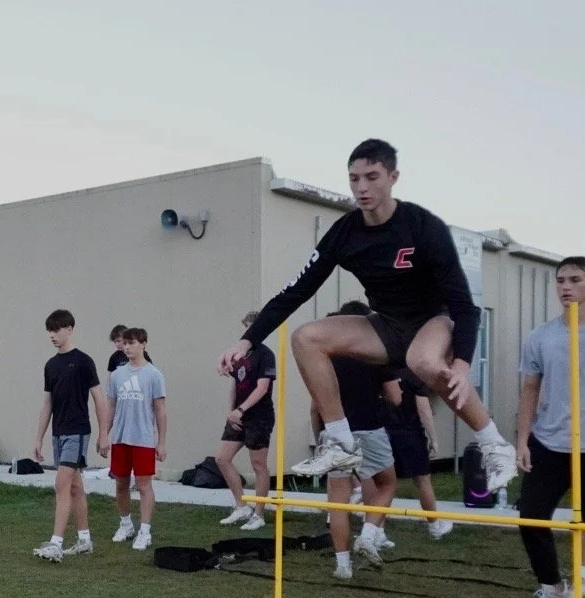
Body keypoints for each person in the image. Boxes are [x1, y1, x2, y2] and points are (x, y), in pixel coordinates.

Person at [217, 139, 516, 494]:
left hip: (433, 320)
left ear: (393, 178)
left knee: (422, 361)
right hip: (386, 324)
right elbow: (295, 292)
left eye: (372, 177)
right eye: (354, 179)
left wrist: (463, 365)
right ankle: (341, 442)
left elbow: (464, 306)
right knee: (305, 338)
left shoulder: (422, 226)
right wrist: (246, 341)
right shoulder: (345, 233)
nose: (362, 187)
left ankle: (495, 444)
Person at [296, 302, 399, 580]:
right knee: (387, 484)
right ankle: (368, 534)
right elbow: (396, 396)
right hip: (371, 429)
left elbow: (316, 406)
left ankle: (343, 565)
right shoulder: (376, 354)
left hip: (336, 433)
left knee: (338, 500)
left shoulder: (327, 356)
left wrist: (320, 439)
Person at [514, 256, 585, 598]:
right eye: (561, 280)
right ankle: (554, 590)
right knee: (531, 518)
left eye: (575, 280)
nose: (566, 287)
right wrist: (522, 440)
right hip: (549, 443)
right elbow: (529, 389)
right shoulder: (541, 336)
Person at [32, 310, 110, 562]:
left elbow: (99, 400)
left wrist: (104, 435)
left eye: (56, 330)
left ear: (70, 329)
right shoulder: (51, 365)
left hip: (78, 431)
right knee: (75, 487)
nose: (52, 335)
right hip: (59, 433)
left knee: (61, 484)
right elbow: (47, 404)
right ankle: (85, 541)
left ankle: (56, 543)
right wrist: (39, 438)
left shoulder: (84, 362)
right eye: (49, 331)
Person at [106, 327, 166, 551]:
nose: (127, 347)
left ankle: (145, 531)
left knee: (143, 485)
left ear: (143, 344)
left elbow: (160, 410)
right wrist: (104, 434)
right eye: (125, 343)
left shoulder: (154, 375)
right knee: (121, 483)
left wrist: (161, 442)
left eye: (132, 343)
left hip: (143, 438)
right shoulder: (116, 375)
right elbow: (111, 407)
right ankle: (126, 524)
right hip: (120, 438)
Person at [215, 311, 275, 531]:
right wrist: (230, 411)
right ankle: (241, 505)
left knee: (258, 464)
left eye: (252, 327)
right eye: (246, 327)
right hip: (238, 415)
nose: (248, 331)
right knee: (222, 459)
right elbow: (235, 384)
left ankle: (259, 514)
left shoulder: (266, 355)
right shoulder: (240, 354)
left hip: (259, 417)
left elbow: (262, 388)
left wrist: (241, 410)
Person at [383, 369, 453, 541]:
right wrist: (433, 438)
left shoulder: (382, 368)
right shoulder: (414, 374)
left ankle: (377, 530)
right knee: (423, 481)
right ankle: (435, 526)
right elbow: (423, 408)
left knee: (383, 484)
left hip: (383, 433)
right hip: (411, 433)